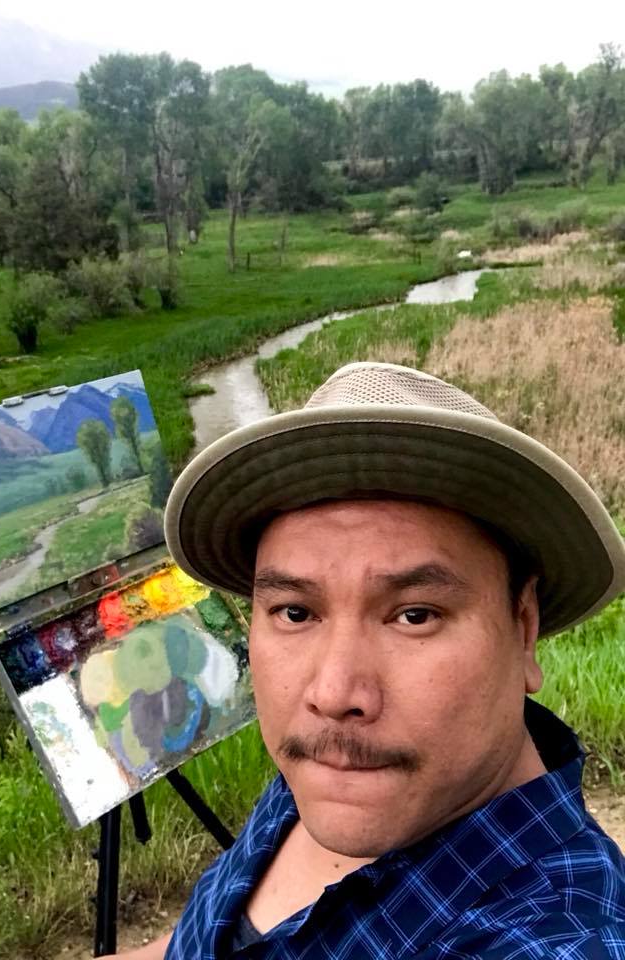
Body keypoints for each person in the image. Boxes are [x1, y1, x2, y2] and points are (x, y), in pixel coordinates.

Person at [118, 362, 625, 959]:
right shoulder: (331, 773)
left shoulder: (557, 941)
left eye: (414, 615)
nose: (333, 694)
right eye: (295, 613)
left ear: (524, 626)